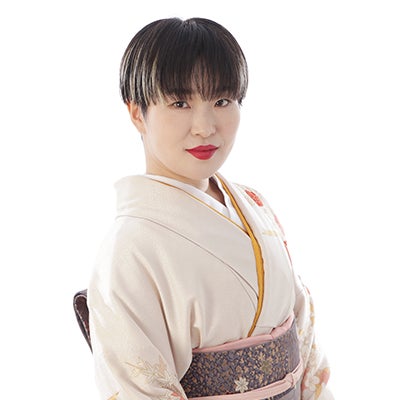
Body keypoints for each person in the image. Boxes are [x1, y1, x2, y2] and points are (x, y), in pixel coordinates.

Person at [87, 17, 333, 400]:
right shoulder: (130, 248)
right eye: (180, 103)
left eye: (221, 101)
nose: (204, 127)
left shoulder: (254, 204)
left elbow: (303, 339)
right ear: (137, 112)